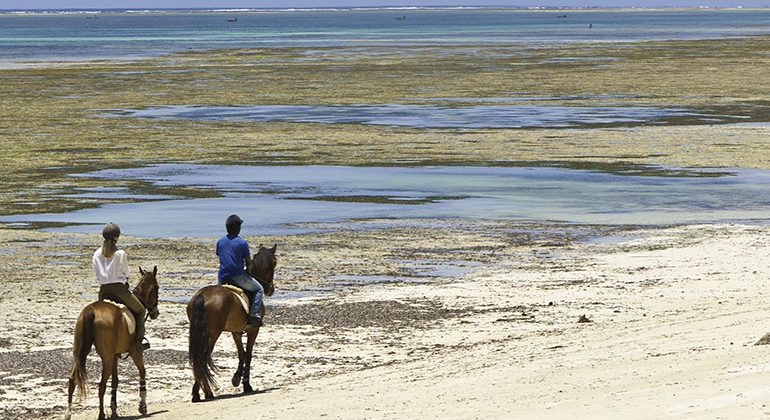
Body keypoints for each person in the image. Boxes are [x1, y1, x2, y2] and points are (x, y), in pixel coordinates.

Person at [93, 223, 150, 352]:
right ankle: (139, 342)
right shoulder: (120, 253)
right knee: (140, 311)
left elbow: (96, 275)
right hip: (120, 290)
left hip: (103, 291)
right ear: (117, 237)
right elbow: (126, 273)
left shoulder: (96, 254)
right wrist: (125, 279)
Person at [216, 214, 264, 327]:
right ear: (238, 228)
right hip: (237, 276)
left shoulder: (220, 242)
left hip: (222, 277)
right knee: (259, 289)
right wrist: (249, 270)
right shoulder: (242, 243)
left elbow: (221, 256)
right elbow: (248, 262)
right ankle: (254, 315)